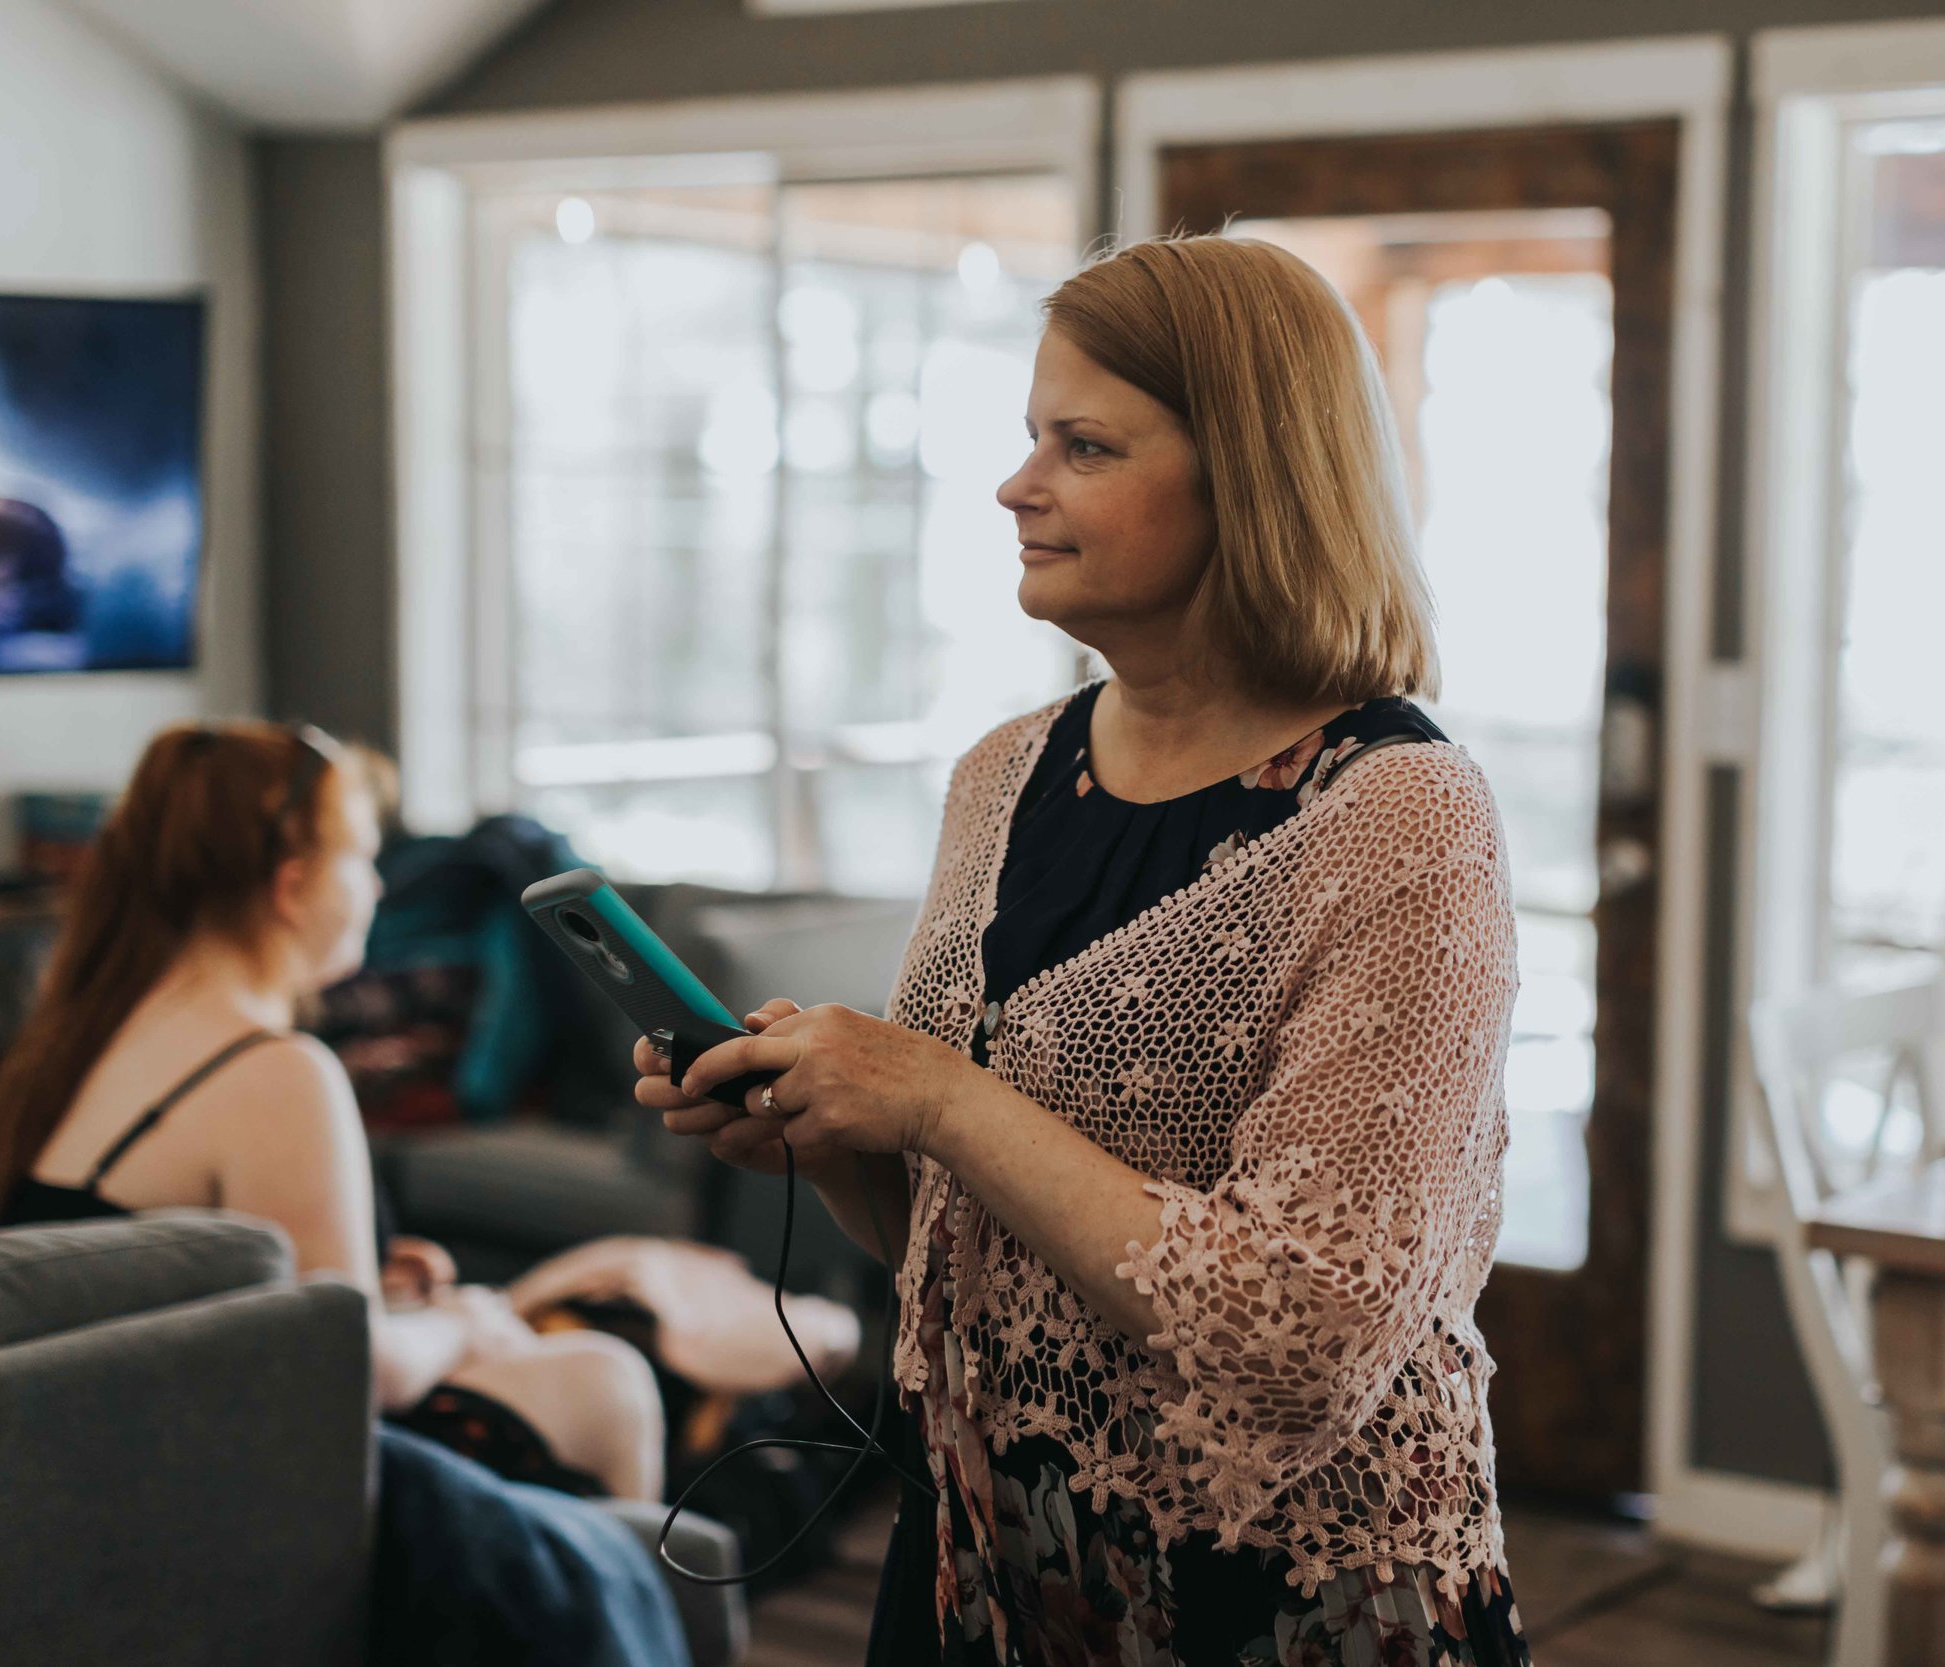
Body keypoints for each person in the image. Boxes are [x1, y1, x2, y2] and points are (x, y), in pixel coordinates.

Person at [644, 236, 1531, 1664]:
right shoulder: (1005, 773)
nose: (1017, 485)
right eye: (1029, 438)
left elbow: (1305, 1336)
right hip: (991, 1555)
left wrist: (934, 1092)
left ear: (1251, 475)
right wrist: (833, 1137)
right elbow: (968, 1228)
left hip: (1278, 1591)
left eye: (1087, 444)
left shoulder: (1399, 815)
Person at [0, 721, 665, 1502]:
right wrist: (464, 1325)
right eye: (363, 858)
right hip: (226, 1485)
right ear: (291, 884)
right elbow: (356, 1371)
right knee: (607, 1375)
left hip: (83, 1451)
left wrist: (370, 1279)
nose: (377, 888)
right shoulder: (276, 1072)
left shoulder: (72, 1044)